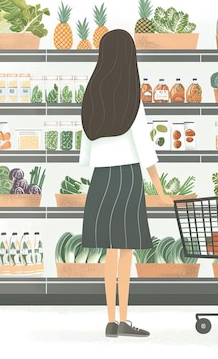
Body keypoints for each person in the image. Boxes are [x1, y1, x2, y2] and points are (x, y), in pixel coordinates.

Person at [79, 28, 173, 338]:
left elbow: (85, 149)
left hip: (101, 177)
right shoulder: (132, 98)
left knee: (108, 250)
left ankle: (109, 321)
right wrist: (160, 191)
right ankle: (123, 320)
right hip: (128, 176)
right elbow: (146, 149)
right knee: (126, 250)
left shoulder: (91, 95)